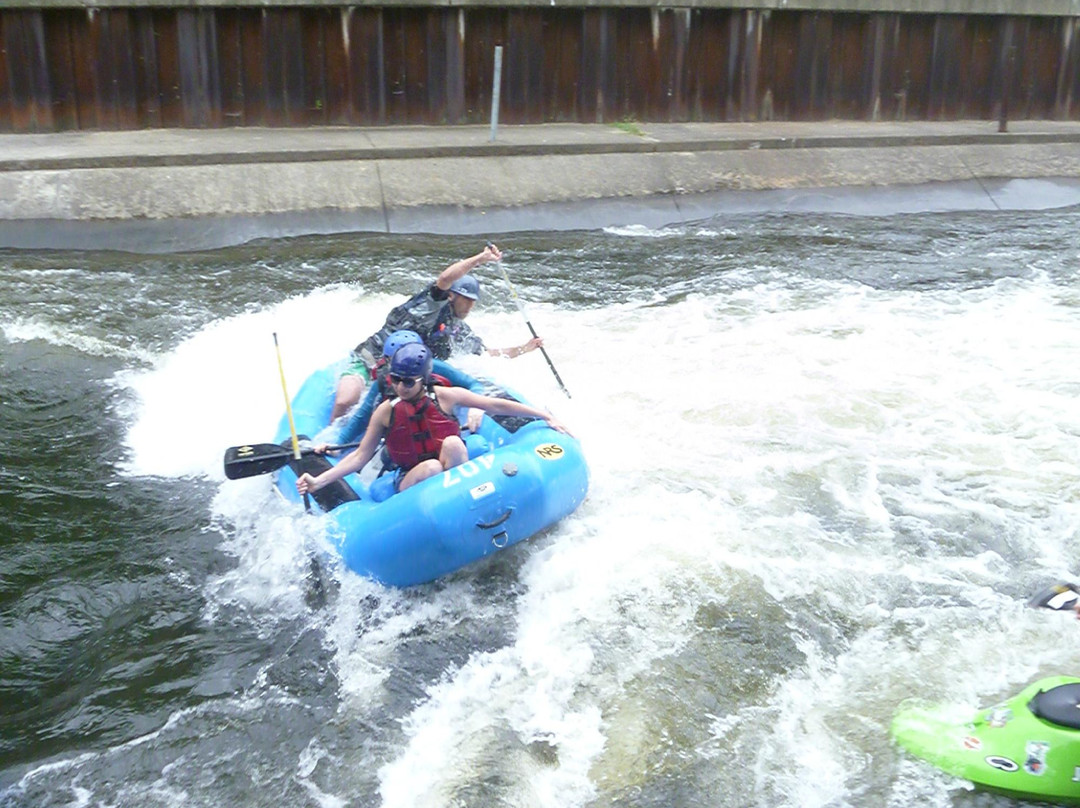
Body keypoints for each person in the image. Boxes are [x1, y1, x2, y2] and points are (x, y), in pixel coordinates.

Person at [298, 343, 568, 496]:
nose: (401, 387)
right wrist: (320, 481)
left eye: (409, 381)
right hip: (409, 477)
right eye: (397, 380)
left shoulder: (444, 397)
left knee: (454, 443)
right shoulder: (386, 410)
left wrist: (544, 415)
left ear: (424, 379)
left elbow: (493, 404)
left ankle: (470, 501)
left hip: (450, 471)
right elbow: (359, 456)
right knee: (430, 469)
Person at [330, 243, 544, 420]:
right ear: (451, 296)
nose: (469, 307)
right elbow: (444, 279)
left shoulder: (458, 329)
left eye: (473, 302)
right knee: (346, 400)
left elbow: (487, 353)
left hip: (406, 378)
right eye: (465, 300)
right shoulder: (431, 304)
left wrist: (525, 348)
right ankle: (325, 450)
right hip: (370, 361)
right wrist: (481, 259)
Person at [330, 329, 489, 445]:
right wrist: (337, 444)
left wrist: (476, 407)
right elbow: (361, 418)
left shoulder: (436, 368)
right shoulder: (385, 381)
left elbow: (473, 384)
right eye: (394, 361)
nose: (401, 367)